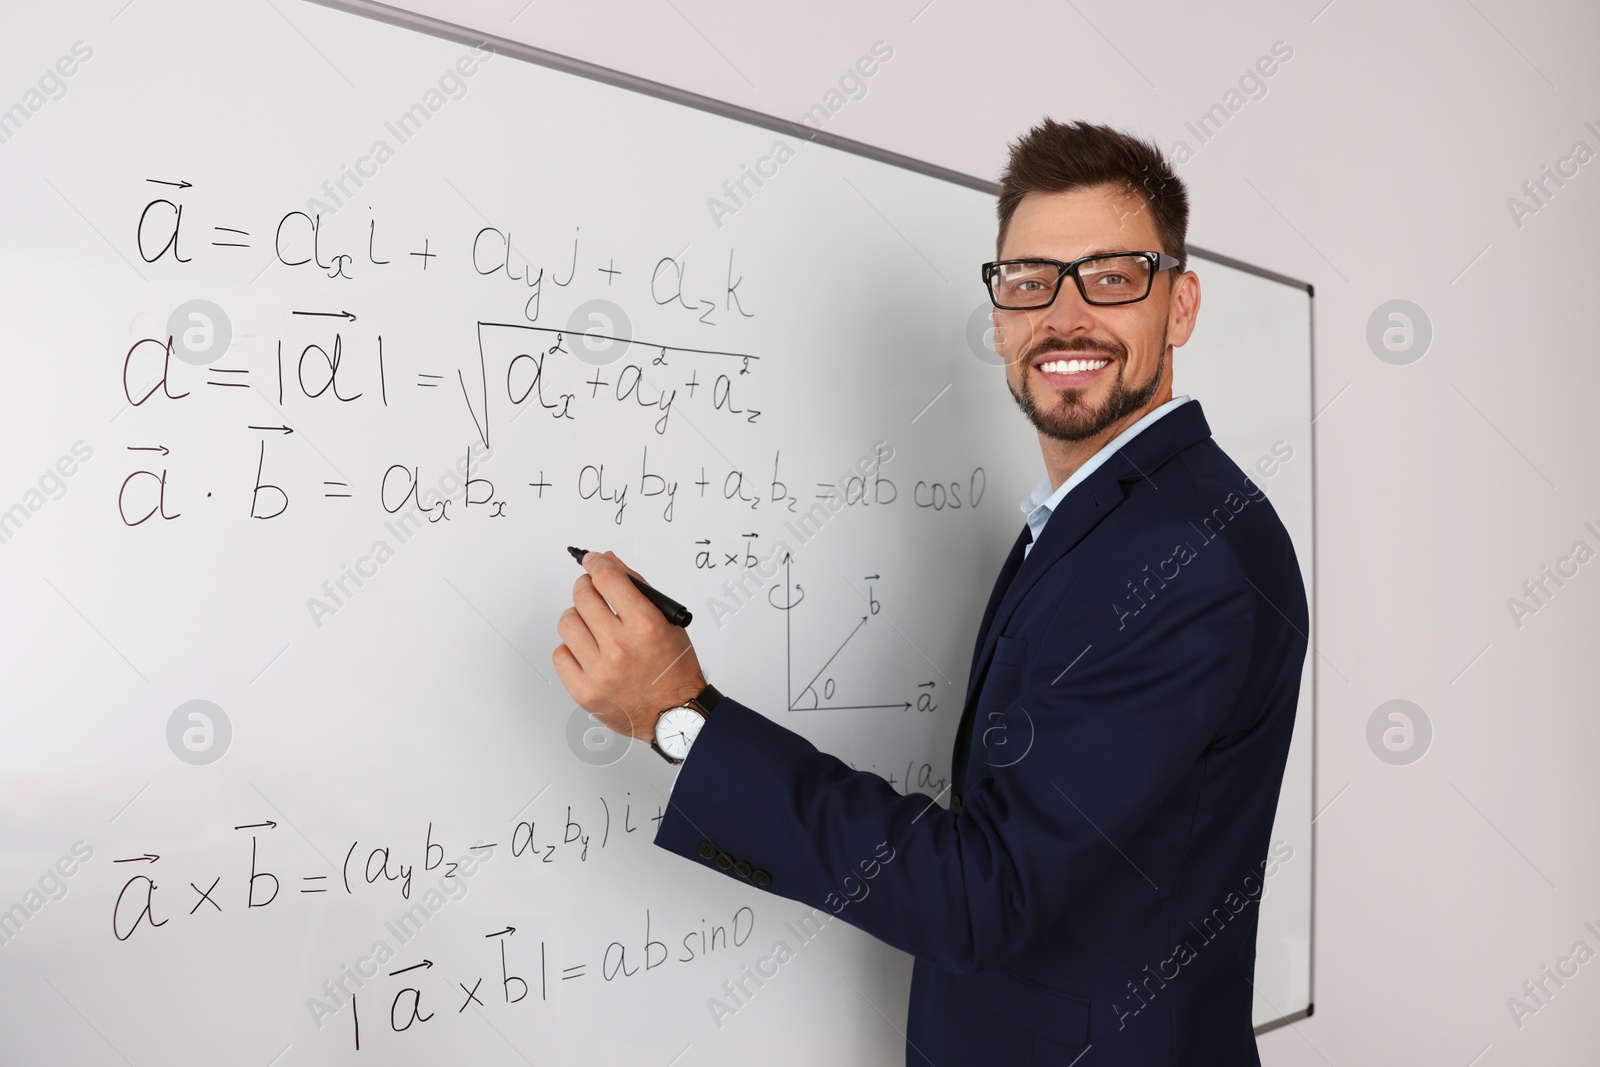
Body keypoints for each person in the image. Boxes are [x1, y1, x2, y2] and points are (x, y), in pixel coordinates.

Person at [553, 118, 1309, 1066]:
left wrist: (679, 716)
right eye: (1031, 280)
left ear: (1181, 303)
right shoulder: (1114, 517)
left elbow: (984, 893)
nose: (1064, 316)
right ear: (997, 317)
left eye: (1112, 276)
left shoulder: (1180, 552)